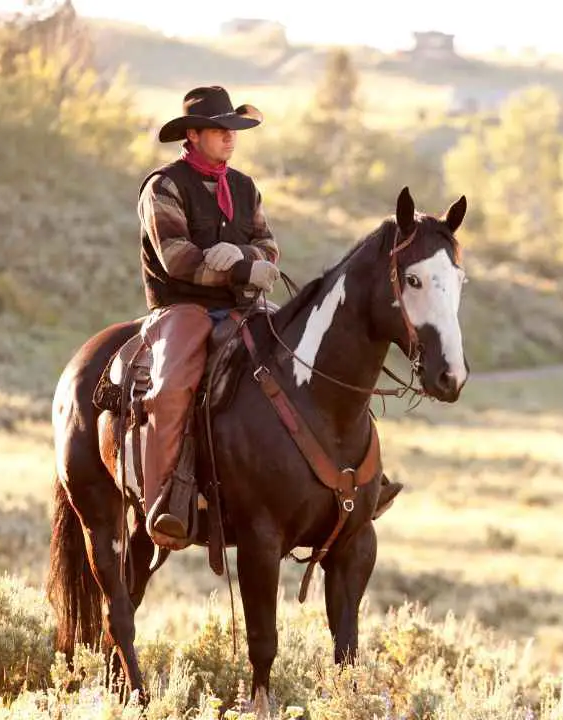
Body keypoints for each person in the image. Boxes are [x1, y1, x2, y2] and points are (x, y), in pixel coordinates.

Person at [136, 85, 401, 549]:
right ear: (193, 135)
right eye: (220, 131)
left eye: (233, 131)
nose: (230, 139)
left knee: (315, 356)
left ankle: (364, 479)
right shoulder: (164, 187)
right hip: (183, 308)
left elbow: (268, 245)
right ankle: (166, 501)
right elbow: (175, 257)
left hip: (245, 305)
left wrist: (246, 259)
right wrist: (241, 266)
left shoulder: (244, 186)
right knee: (171, 387)